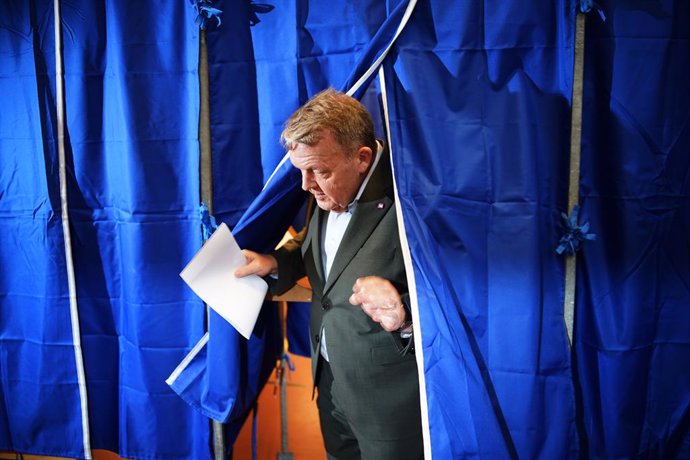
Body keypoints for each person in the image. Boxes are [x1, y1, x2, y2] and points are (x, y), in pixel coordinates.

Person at [235, 88, 423, 459]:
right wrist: (278, 262)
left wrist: (402, 312)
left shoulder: (413, 195)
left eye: (318, 171)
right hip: (331, 382)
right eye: (300, 171)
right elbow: (320, 247)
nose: (306, 185)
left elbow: (460, 294)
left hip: (389, 401)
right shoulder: (327, 185)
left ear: (362, 158)